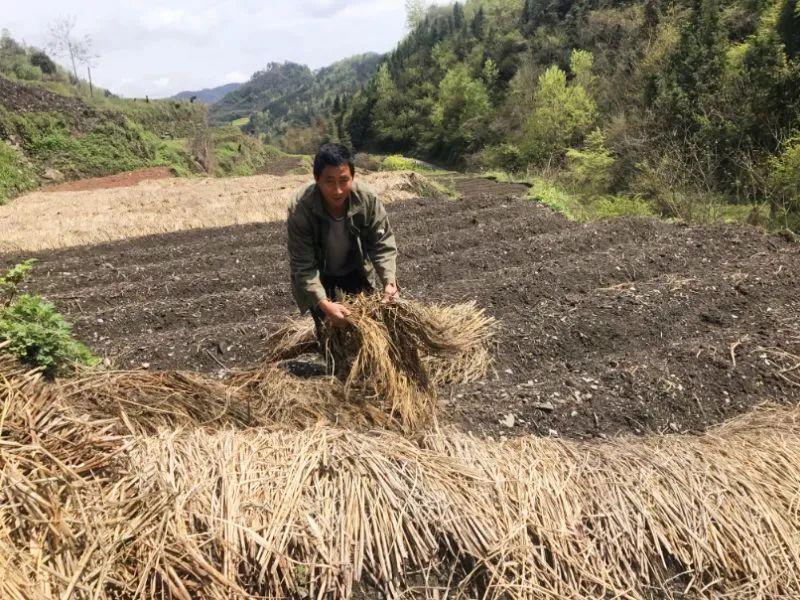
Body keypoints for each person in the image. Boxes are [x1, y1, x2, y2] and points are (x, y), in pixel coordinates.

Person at [286, 143, 399, 339]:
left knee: (366, 328)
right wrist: (323, 303)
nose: (337, 190)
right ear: (316, 179)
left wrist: (389, 281)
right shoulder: (301, 208)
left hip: (355, 268)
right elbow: (303, 265)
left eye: (344, 180)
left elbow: (381, 243)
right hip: (320, 274)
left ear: (353, 177)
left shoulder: (366, 199)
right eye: (329, 181)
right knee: (328, 330)